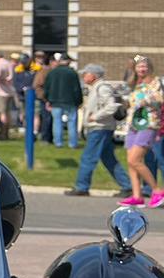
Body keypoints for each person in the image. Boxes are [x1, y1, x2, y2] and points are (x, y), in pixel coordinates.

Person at [67, 64, 132, 196]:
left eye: (86, 73)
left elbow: (111, 106)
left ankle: (82, 187)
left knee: (88, 157)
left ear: (94, 75)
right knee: (109, 159)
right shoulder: (96, 88)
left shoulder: (102, 88)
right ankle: (127, 186)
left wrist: (95, 117)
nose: (84, 76)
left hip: (100, 128)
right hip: (101, 128)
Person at [119, 55, 164, 208]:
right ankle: (137, 195)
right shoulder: (132, 84)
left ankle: (157, 191)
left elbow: (160, 99)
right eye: (139, 66)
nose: (142, 69)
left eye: (144, 66)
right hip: (133, 125)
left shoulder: (156, 82)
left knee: (135, 160)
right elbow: (129, 102)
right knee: (130, 161)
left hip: (149, 124)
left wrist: (148, 99)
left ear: (149, 67)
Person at [44, 53, 81, 148]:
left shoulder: (52, 72)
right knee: (72, 122)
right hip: (70, 101)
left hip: (55, 101)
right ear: (67, 61)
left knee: (57, 122)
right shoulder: (72, 73)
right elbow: (77, 89)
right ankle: (73, 143)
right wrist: (79, 101)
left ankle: (58, 143)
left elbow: (47, 87)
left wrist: (48, 100)